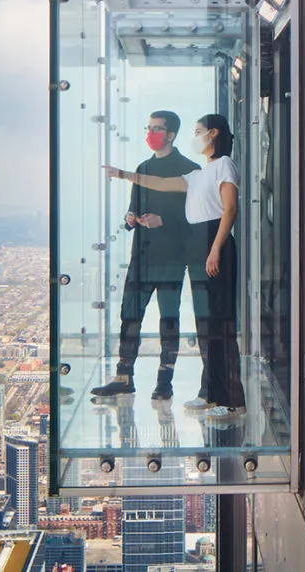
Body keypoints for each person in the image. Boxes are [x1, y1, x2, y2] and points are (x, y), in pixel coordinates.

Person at [104, 114, 246, 423]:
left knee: (221, 325)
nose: (195, 137)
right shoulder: (200, 173)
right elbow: (161, 184)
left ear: (213, 133)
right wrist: (125, 174)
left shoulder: (223, 166)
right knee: (207, 326)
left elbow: (231, 208)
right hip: (199, 249)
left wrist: (215, 249)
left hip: (211, 245)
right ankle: (211, 392)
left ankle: (232, 400)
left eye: (198, 132)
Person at [91, 111, 201, 401]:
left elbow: (196, 219)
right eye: (149, 127)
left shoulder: (190, 169)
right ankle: (123, 377)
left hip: (171, 259)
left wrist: (163, 220)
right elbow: (133, 208)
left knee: (169, 319)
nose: (150, 133)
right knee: (129, 316)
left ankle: (165, 382)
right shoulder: (143, 167)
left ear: (171, 134)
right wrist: (130, 218)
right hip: (141, 258)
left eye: (157, 128)